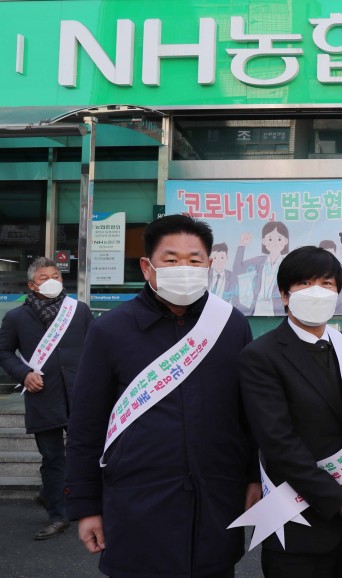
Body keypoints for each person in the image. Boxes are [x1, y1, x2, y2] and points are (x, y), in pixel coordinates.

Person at [65, 214, 261, 577]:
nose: (184, 268)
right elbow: (85, 425)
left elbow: (246, 413)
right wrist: (85, 506)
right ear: (147, 267)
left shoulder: (231, 324)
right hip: (138, 503)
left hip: (215, 501)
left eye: (194, 260)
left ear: (209, 265)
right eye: (171, 260)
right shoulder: (110, 330)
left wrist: (253, 477)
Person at [237, 246, 342, 578]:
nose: (317, 292)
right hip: (297, 520)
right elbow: (278, 441)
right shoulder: (261, 355)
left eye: (326, 283)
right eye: (305, 283)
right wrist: (337, 500)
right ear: (285, 295)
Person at [0, 257, 94, 540]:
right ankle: (58, 515)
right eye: (44, 277)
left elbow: (96, 346)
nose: (52, 281)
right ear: (32, 285)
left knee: (85, 452)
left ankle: (64, 497)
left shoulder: (78, 311)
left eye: (56, 276)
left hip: (80, 394)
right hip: (43, 395)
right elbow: (4, 352)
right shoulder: (16, 317)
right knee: (52, 457)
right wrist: (24, 374)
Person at [234, 221, 290, 316]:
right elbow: (238, 268)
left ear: (285, 241)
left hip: (280, 312)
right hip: (256, 310)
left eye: (279, 239)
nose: (274, 243)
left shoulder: (288, 264)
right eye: (270, 239)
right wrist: (242, 246)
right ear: (264, 241)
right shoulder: (259, 262)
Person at [208, 242, 240, 307]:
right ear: (211, 258)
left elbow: (235, 301)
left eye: (222, 257)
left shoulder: (233, 277)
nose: (218, 261)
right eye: (215, 257)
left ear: (227, 258)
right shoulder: (206, 273)